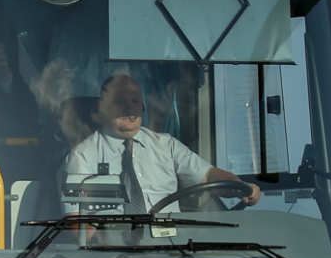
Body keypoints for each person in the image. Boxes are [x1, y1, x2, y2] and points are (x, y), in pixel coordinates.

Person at [63, 71, 259, 213]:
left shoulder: (166, 145)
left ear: (143, 108)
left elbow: (207, 177)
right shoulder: (82, 156)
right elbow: (77, 226)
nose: (129, 109)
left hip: (171, 251)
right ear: (102, 108)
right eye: (119, 101)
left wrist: (239, 185)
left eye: (135, 101)